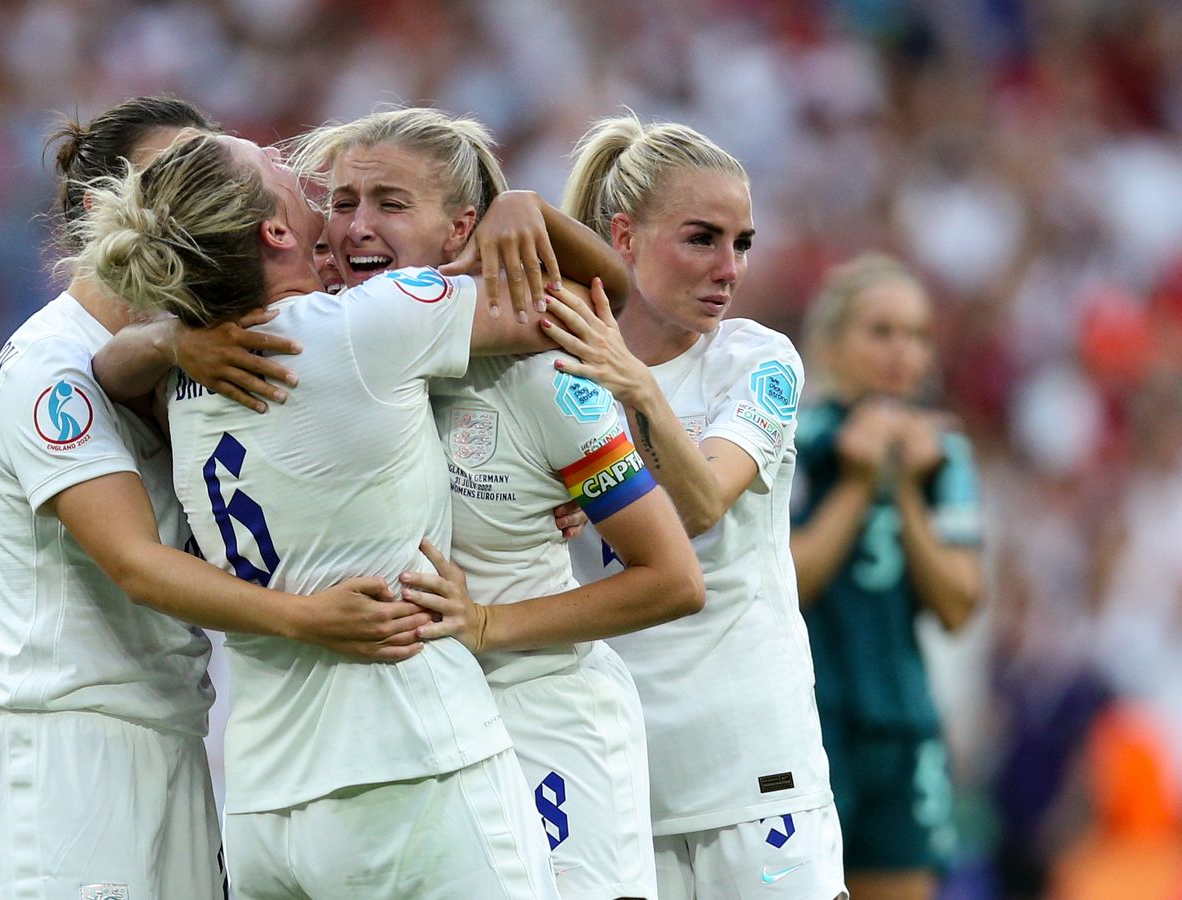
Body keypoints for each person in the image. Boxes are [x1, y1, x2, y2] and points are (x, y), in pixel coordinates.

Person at [71, 127, 576, 898]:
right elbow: (576, 308)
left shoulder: (179, 378)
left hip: (267, 805)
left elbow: (108, 368)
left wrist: (170, 338)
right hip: (411, 764)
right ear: (275, 229)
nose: (290, 164)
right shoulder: (369, 323)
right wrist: (525, 211)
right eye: (271, 165)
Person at [0, 97, 437, 899]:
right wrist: (306, 619)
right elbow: (137, 566)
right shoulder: (50, 369)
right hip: (65, 747)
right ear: (100, 211)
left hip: (169, 727)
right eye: (169, 173)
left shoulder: (199, 351)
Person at [293, 106, 706, 900]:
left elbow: (672, 577)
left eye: (389, 202)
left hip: (546, 716)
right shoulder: (335, 356)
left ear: (462, 231)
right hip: (418, 735)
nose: (356, 226)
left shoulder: (541, 373)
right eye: (342, 203)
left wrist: (488, 624)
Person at [539, 115, 848, 900]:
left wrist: (632, 384)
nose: (729, 268)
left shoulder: (757, 360)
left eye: (742, 242)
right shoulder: (543, 375)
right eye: (702, 238)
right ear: (625, 236)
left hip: (753, 775)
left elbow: (704, 501)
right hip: (615, 775)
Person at [790, 253, 983, 900]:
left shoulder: (942, 455)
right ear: (830, 342)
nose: (904, 351)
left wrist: (900, 491)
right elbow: (784, 588)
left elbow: (959, 606)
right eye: (882, 331)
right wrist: (855, 484)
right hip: (807, 722)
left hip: (902, 724)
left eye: (918, 334)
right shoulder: (789, 439)